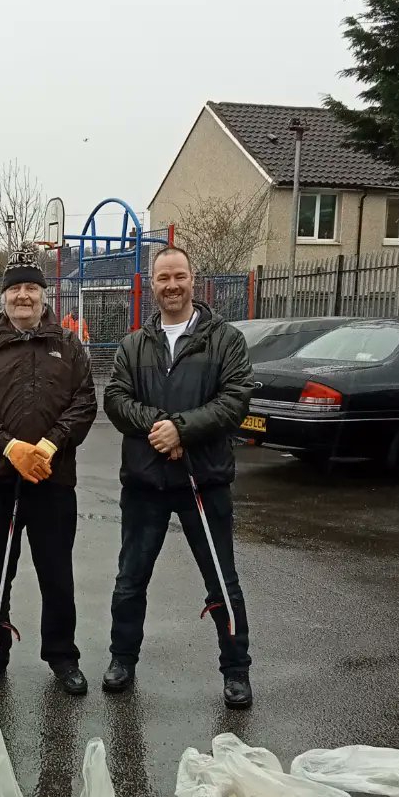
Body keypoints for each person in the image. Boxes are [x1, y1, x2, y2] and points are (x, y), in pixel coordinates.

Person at [102, 246, 256, 708]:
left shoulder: (224, 340)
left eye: (180, 276)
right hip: (145, 483)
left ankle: (236, 671)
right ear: (152, 284)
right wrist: (158, 425)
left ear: (194, 280)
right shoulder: (133, 344)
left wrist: (183, 430)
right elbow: (115, 398)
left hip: (203, 481)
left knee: (222, 581)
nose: (172, 285)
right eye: (163, 277)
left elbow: (236, 400)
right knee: (130, 580)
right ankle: (122, 660)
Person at [0, 247, 97, 696]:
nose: (23, 296)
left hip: (53, 480)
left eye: (31, 288)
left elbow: (84, 403)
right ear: (3, 296)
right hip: (0, 478)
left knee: (56, 572)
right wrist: (11, 446)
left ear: (43, 294)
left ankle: (62, 656)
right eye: (15, 288)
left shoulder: (68, 344)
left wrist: (49, 444)